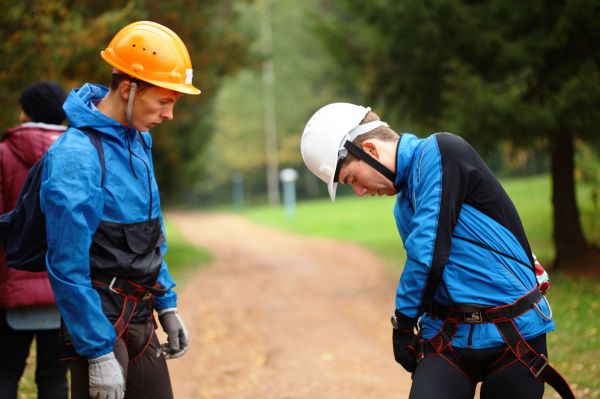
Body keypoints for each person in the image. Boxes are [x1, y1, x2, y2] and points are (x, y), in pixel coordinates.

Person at [300, 103, 574, 399]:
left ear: (370, 150)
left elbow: (428, 254)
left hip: (513, 334)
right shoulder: (403, 205)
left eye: (352, 179)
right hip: (448, 338)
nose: (360, 192)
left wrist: (403, 323)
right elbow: (435, 273)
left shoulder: (441, 151)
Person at [39, 21, 200, 399]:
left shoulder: (139, 140)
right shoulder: (76, 156)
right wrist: (96, 353)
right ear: (129, 89)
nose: (169, 115)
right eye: (164, 101)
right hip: (97, 317)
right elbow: (66, 264)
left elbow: (148, 232)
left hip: (140, 313)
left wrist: (168, 305)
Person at [0, 81, 69, 399]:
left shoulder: (3, 154)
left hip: (11, 286)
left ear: (25, 111)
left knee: (5, 372)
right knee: (54, 377)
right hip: (65, 286)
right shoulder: (78, 152)